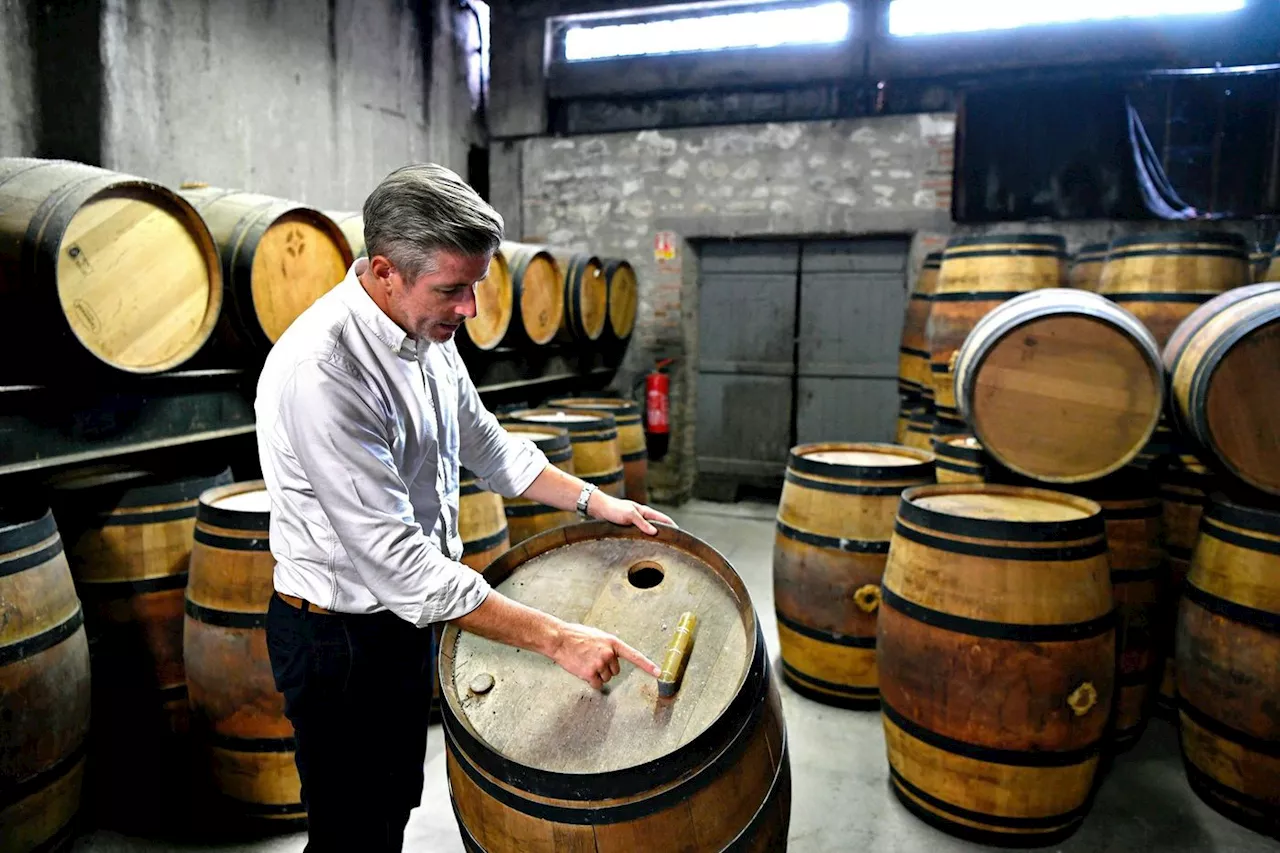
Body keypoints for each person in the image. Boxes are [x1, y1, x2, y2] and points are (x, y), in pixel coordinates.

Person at [255, 163, 675, 853]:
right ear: (386, 271)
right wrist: (561, 639)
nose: (472, 309)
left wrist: (597, 501)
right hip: (339, 643)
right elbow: (402, 565)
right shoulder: (325, 371)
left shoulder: (425, 335)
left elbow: (486, 442)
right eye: (453, 289)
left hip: (400, 629)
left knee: (392, 800)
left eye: (475, 285)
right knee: (349, 826)